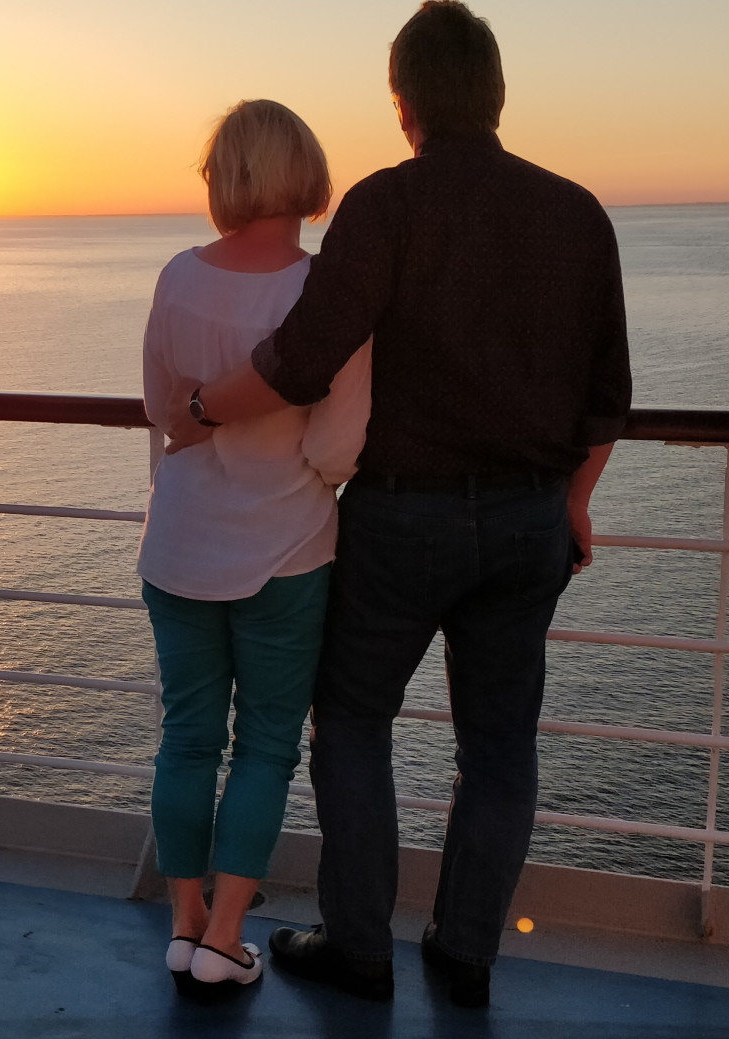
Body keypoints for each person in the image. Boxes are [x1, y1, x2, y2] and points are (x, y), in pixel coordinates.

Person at [160, 1, 631, 1008]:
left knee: (352, 721)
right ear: (495, 95)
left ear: (403, 102)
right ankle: (464, 953)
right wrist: (576, 501)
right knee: (498, 748)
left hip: (402, 521)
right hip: (528, 522)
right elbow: (607, 399)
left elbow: (300, 360)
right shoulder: (576, 214)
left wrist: (198, 409)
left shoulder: (385, 206)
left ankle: (359, 946)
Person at [138, 98, 372, 998]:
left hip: (180, 545)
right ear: (306, 176)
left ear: (224, 179)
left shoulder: (177, 277)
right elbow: (339, 447)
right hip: (286, 549)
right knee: (266, 746)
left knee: (187, 736)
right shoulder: (323, 293)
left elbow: (163, 410)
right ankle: (228, 937)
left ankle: (184, 922)